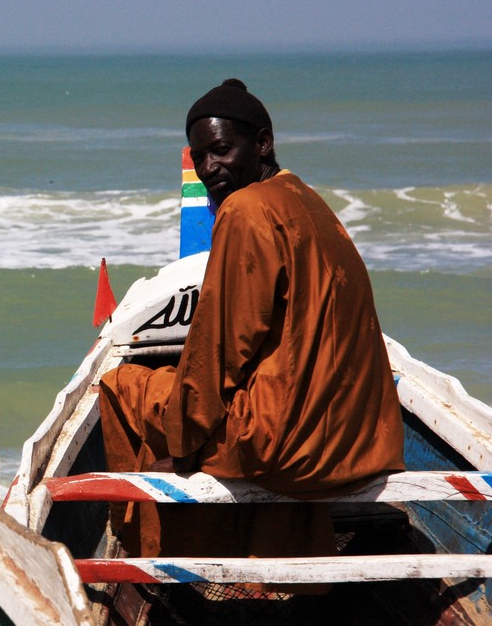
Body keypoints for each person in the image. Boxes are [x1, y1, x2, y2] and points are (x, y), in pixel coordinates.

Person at [98, 79, 405, 583]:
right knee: (201, 396)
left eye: (221, 151)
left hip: (293, 448)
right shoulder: (308, 200)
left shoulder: (245, 211)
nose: (208, 169)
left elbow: (219, 351)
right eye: (199, 157)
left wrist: (183, 440)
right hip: (364, 442)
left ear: (261, 143)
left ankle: (155, 569)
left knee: (125, 387)